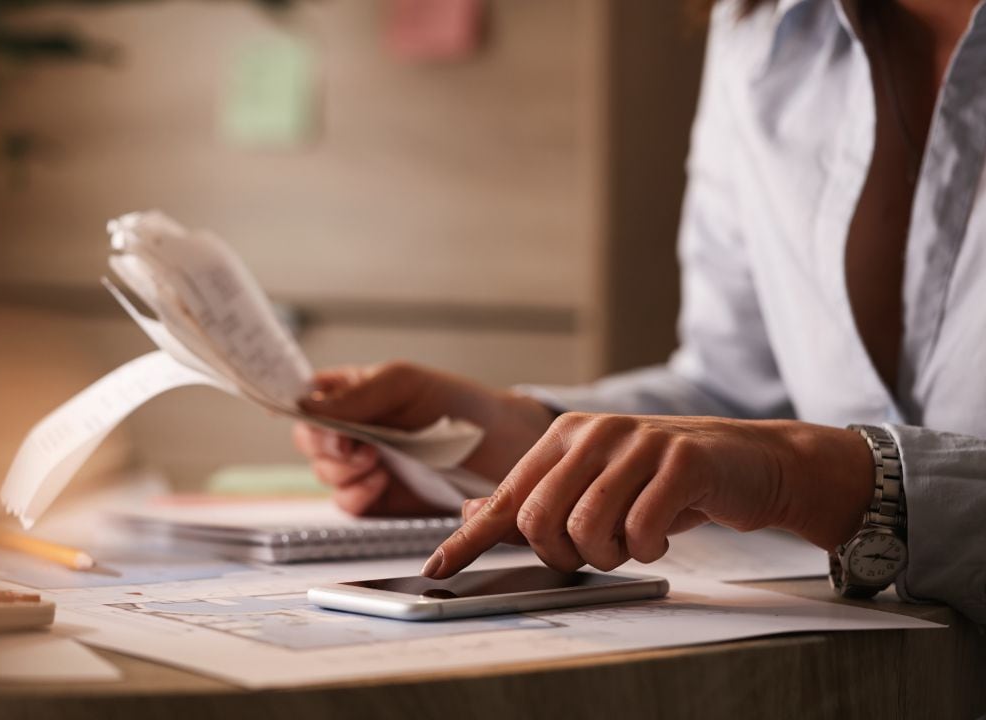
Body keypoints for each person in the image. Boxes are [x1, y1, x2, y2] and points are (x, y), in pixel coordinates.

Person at [293, 0, 986, 624]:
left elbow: (782, 454)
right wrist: (515, 435)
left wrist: (819, 477)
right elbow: (738, 393)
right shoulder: (762, 29)